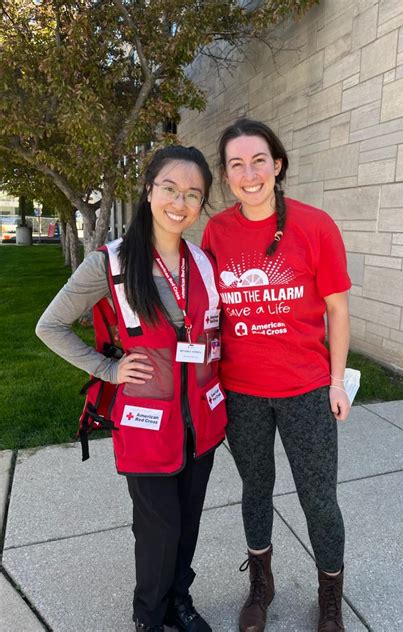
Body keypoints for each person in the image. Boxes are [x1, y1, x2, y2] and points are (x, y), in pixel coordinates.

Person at [36, 145, 227, 632]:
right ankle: (149, 616)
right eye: (169, 188)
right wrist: (108, 370)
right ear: (148, 192)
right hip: (147, 424)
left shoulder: (203, 264)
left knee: (187, 523)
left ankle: (178, 602)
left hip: (199, 423)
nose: (179, 202)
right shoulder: (112, 263)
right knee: (157, 530)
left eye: (192, 194)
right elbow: (50, 326)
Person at [201, 119, 351, 632]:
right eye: (236, 164)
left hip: (306, 390)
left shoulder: (315, 225)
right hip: (241, 393)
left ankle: (330, 592)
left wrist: (335, 382)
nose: (249, 173)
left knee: (319, 500)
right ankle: (260, 585)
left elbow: (338, 309)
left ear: (278, 164)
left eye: (258, 160)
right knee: (255, 491)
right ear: (226, 175)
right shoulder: (217, 232)